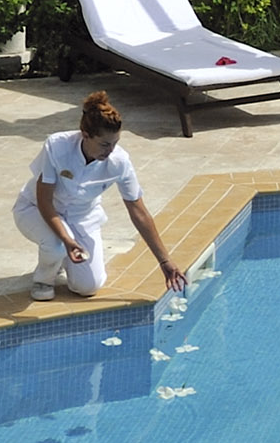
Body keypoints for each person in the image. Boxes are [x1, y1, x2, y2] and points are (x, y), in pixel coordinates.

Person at [13, 91, 187, 301]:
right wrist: (67, 240)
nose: (111, 150)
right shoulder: (56, 146)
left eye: (115, 143)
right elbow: (44, 201)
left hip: (82, 217)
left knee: (88, 287)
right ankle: (44, 278)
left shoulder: (120, 162)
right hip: (36, 210)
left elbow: (138, 211)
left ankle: (59, 259)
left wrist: (164, 261)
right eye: (105, 144)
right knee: (55, 245)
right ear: (85, 134)